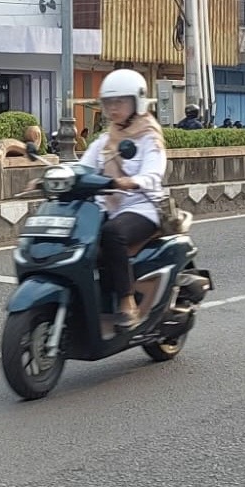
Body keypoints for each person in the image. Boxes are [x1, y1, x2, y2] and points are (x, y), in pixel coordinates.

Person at [78, 69, 169, 330]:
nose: (114, 108)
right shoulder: (106, 139)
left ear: (136, 102)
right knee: (79, 240)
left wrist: (132, 181)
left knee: (111, 234)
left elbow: (154, 173)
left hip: (142, 206)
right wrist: (49, 178)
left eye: (120, 102)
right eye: (109, 103)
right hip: (108, 206)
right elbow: (82, 167)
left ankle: (126, 302)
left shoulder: (149, 137)